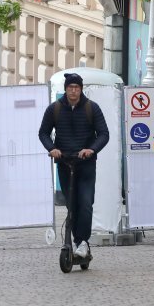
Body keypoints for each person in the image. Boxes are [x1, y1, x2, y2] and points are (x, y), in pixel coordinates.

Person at [38, 73, 110, 259]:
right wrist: (52, 148)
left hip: (85, 165)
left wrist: (91, 149)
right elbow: (43, 133)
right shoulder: (54, 109)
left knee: (85, 203)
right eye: (70, 87)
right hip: (65, 163)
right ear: (65, 89)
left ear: (81, 89)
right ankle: (76, 242)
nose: (73, 91)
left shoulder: (91, 108)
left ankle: (83, 242)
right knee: (72, 206)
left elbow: (103, 134)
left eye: (77, 87)